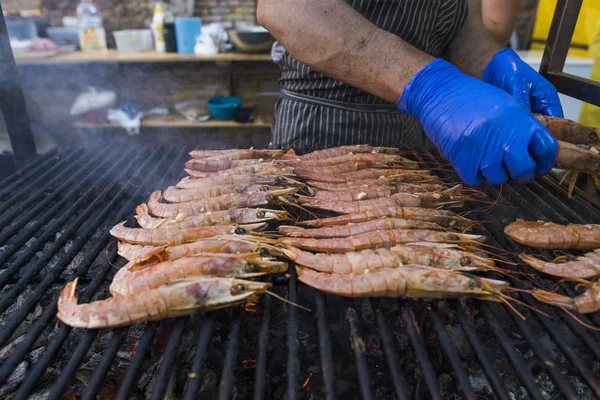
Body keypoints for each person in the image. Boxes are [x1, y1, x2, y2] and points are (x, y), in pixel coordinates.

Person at [258, 0, 563, 186]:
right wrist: (431, 86)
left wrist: (491, 61)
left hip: (418, 134)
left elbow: (462, 27)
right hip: (319, 128)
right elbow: (286, 8)